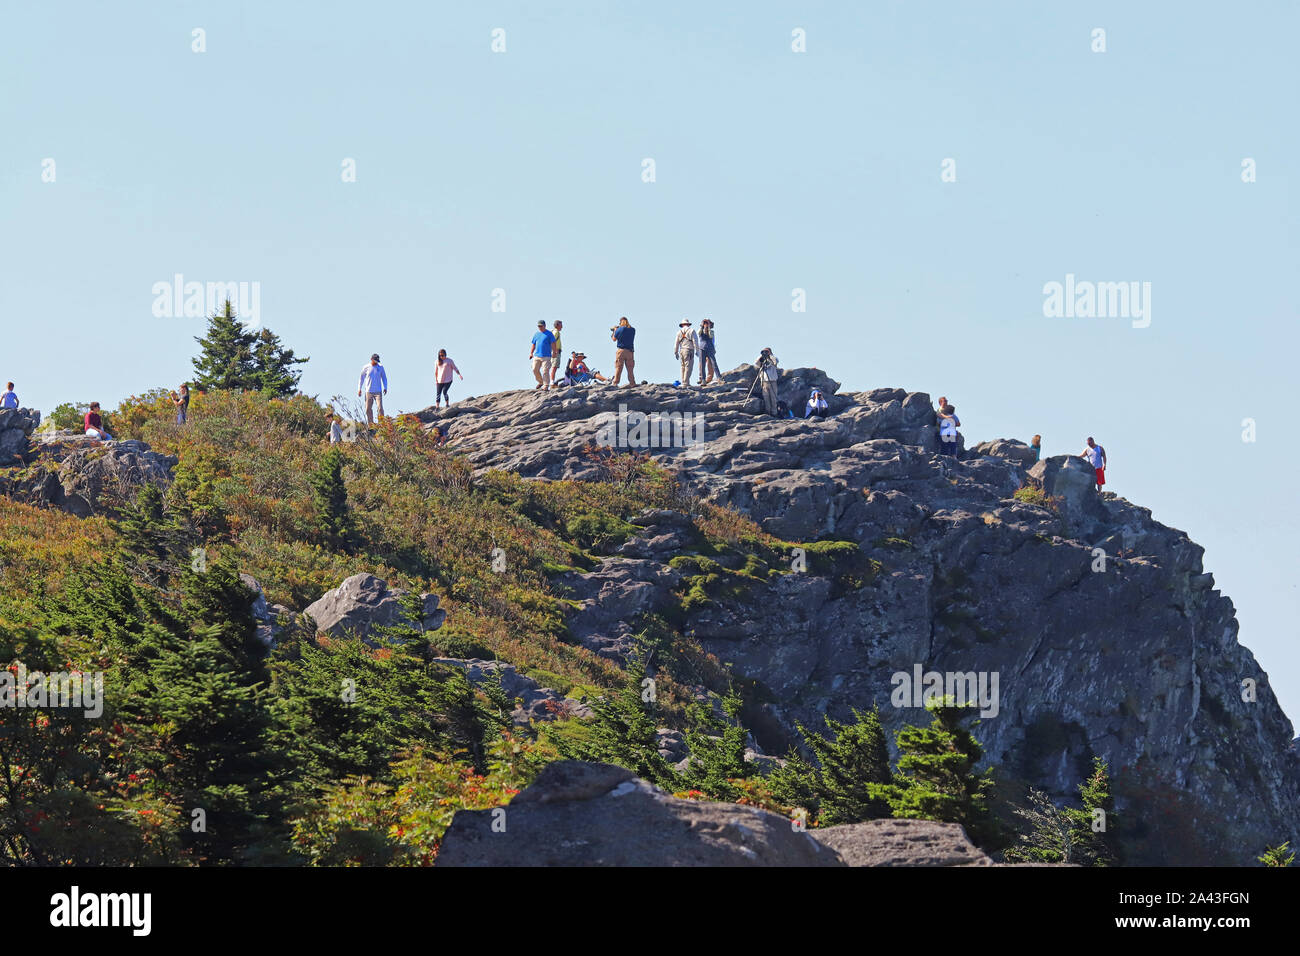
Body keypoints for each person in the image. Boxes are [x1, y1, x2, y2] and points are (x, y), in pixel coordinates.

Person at [358, 353, 388, 424]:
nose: (376, 362)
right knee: (368, 409)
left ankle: (382, 423)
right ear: (371, 359)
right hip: (369, 391)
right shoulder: (366, 367)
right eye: (375, 360)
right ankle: (371, 425)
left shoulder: (380, 367)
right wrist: (359, 389)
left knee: (380, 408)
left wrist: (385, 387)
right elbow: (361, 378)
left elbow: (384, 378)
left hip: (378, 391)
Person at [529, 320, 556, 390]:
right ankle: (540, 382)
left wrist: (554, 352)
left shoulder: (549, 334)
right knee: (534, 369)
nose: (540, 327)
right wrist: (531, 353)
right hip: (537, 355)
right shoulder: (536, 334)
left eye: (541, 326)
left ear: (544, 326)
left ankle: (546, 385)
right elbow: (533, 344)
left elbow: (553, 343)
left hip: (546, 356)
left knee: (545, 370)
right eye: (538, 326)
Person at [610, 316, 637, 386]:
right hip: (630, 351)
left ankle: (615, 383)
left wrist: (615, 330)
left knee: (618, 368)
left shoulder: (619, 330)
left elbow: (614, 339)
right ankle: (632, 383)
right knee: (630, 369)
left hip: (621, 351)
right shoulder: (633, 330)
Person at [757, 348, 781, 416]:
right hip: (764, 381)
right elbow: (756, 363)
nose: (765, 353)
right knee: (766, 397)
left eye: (767, 351)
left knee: (773, 398)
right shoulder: (762, 360)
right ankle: (768, 412)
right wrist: (761, 355)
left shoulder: (774, 358)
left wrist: (770, 355)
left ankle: (774, 413)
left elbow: (775, 362)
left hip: (772, 381)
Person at [674, 319, 699, 387]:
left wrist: (675, 352)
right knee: (688, 366)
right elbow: (695, 341)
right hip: (689, 350)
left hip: (681, 350)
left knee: (682, 367)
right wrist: (697, 351)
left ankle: (684, 381)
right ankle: (686, 383)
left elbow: (676, 343)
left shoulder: (679, 332)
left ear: (682, 325)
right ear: (688, 324)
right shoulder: (692, 331)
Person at [697, 319, 719, 385]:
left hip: (710, 348)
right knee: (701, 364)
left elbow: (711, 336)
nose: (706, 325)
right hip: (703, 348)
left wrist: (708, 327)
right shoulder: (701, 331)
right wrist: (701, 326)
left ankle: (708, 379)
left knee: (711, 364)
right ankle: (702, 378)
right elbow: (698, 333)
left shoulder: (711, 332)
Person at [549, 321, 564, 385]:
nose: (562, 327)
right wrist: (554, 350)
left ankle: (551, 381)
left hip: (553, 351)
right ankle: (552, 381)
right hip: (556, 351)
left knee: (553, 367)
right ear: (557, 325)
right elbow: (552, 341)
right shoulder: (556, 332)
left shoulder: (552, 331)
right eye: (561, 325)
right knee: (554, 367)